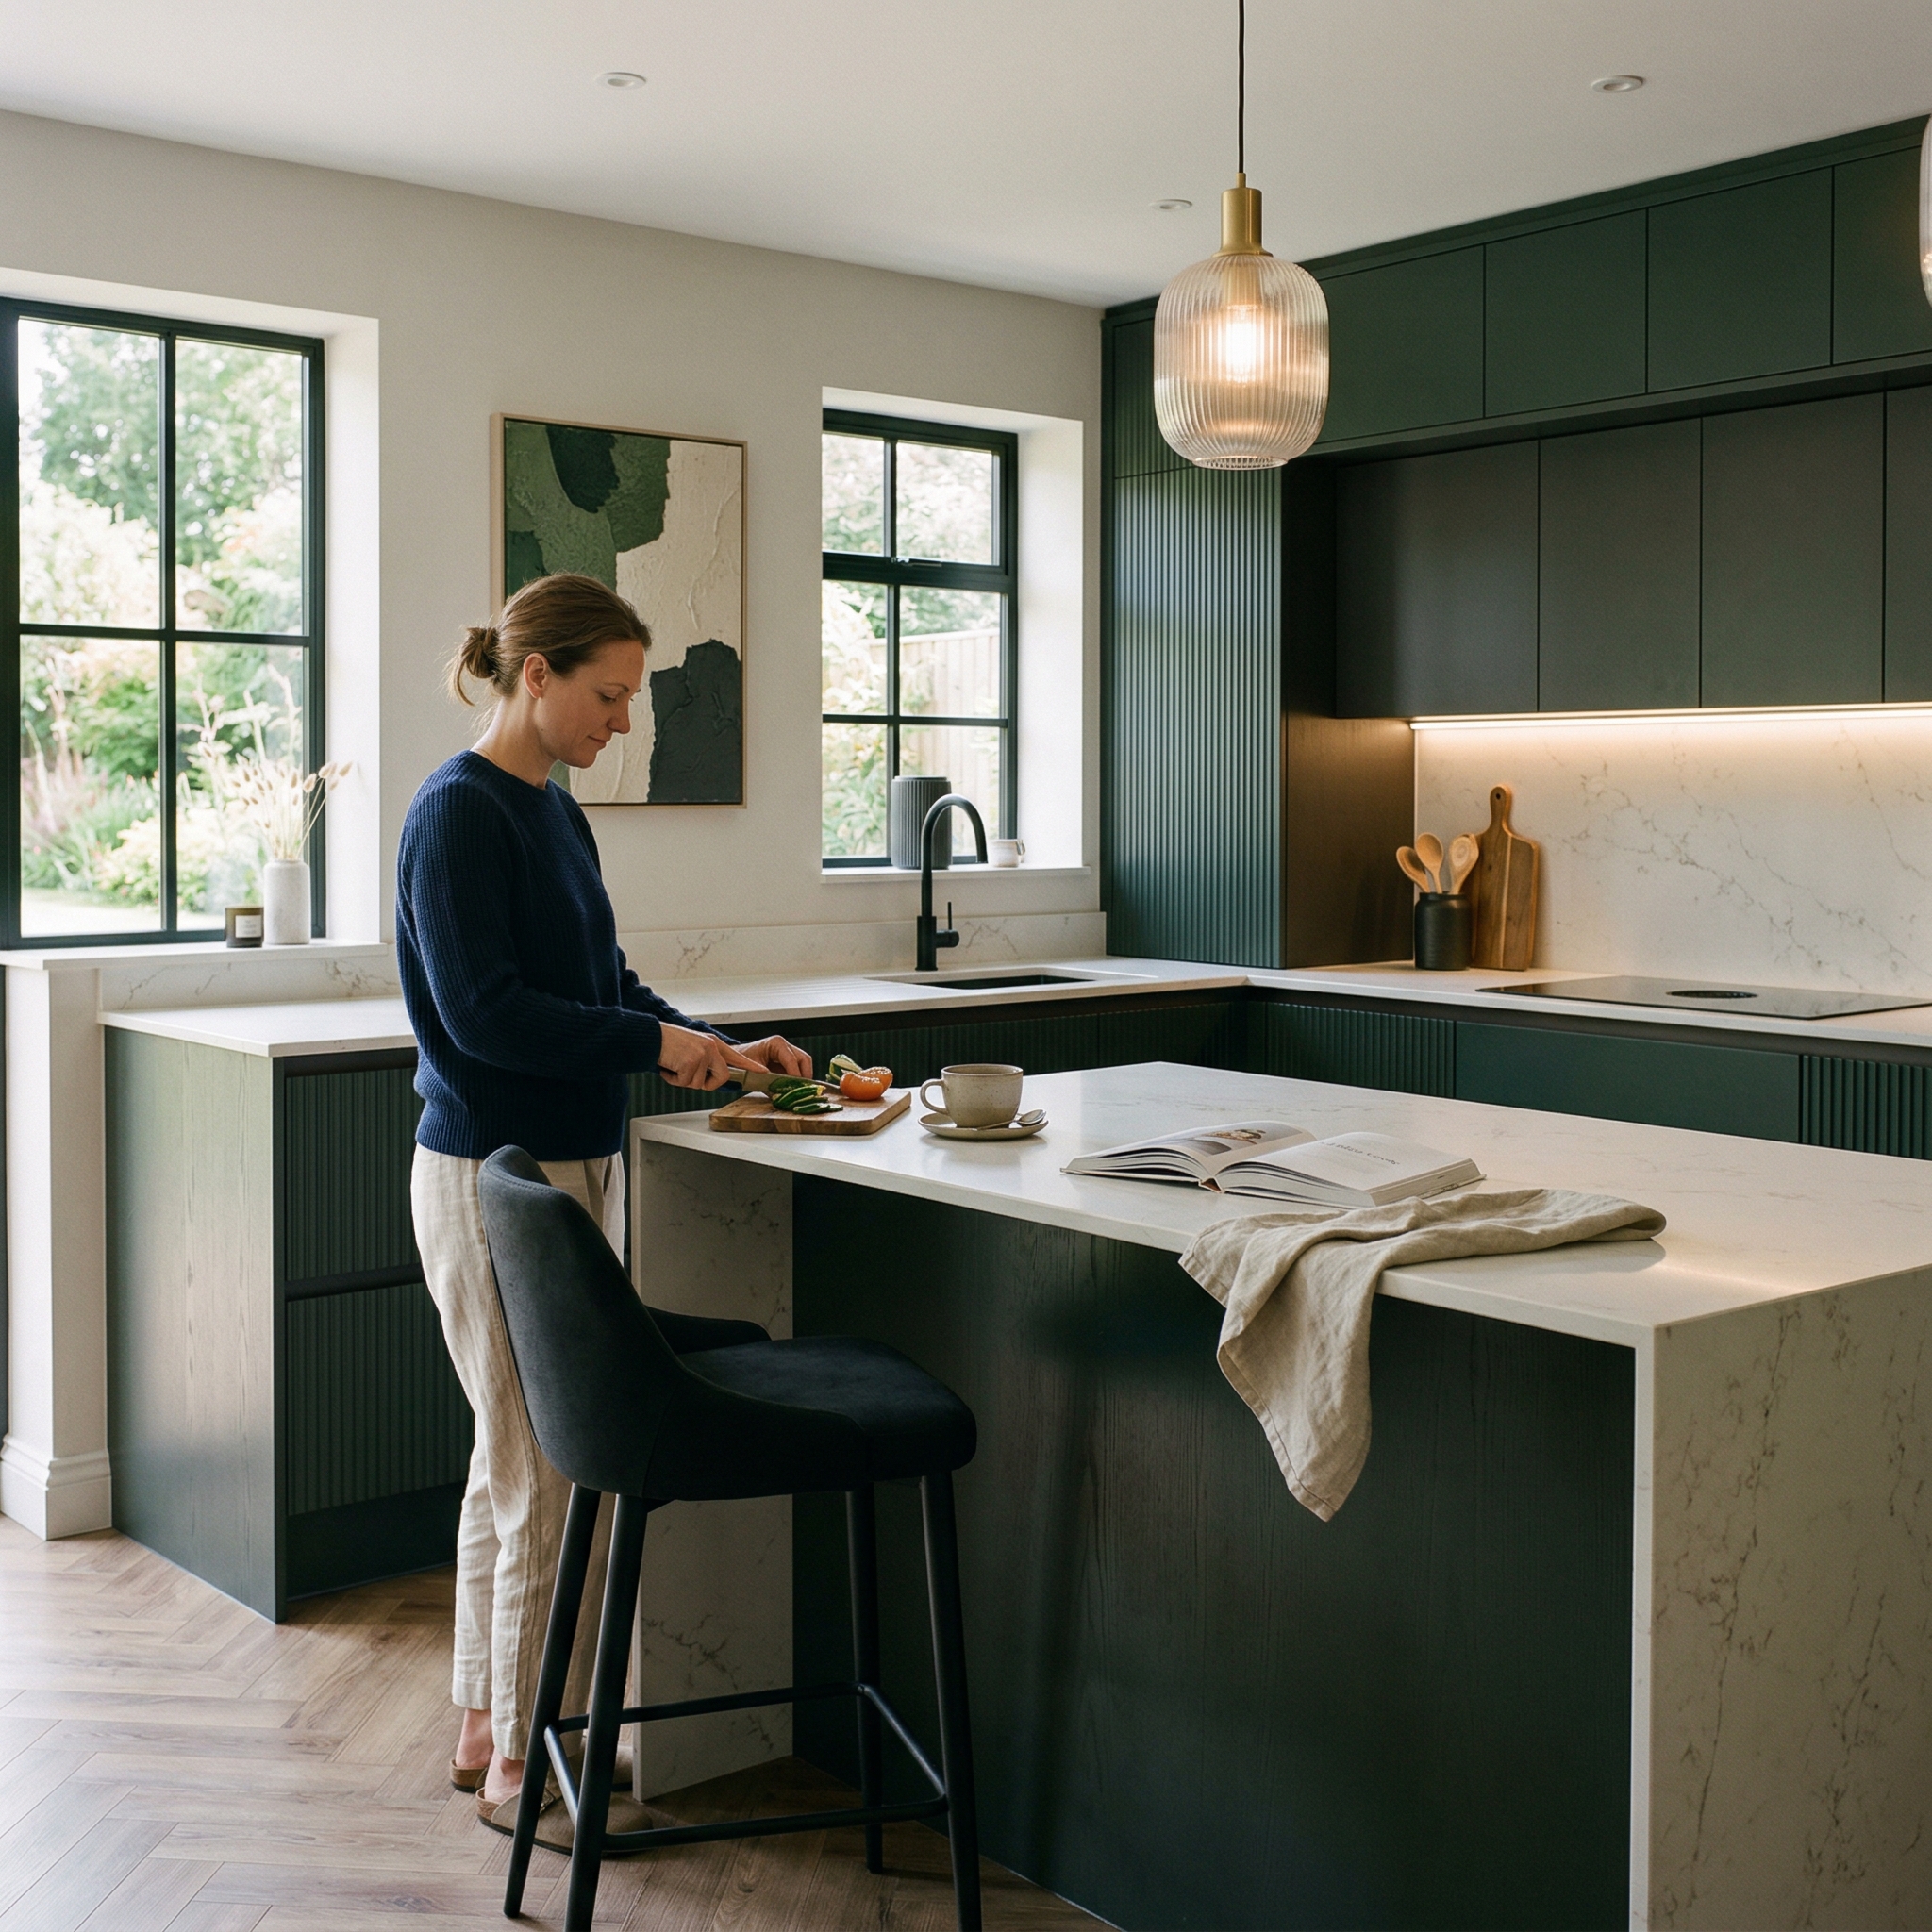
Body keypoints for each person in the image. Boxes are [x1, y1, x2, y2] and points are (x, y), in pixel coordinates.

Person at [395, 571, 810, 1837]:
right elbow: (487, 1016)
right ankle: (529, 1764)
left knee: (509, 1461)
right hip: (489, 1177)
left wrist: (722, 1047)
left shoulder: (553, 814)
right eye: (610, 694)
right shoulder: (456, 815)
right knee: (547, 1473)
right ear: (536, 675)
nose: (622, 722)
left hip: (567, 1166)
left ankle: (486, 1724)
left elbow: (605, 980)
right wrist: (648, 1047)